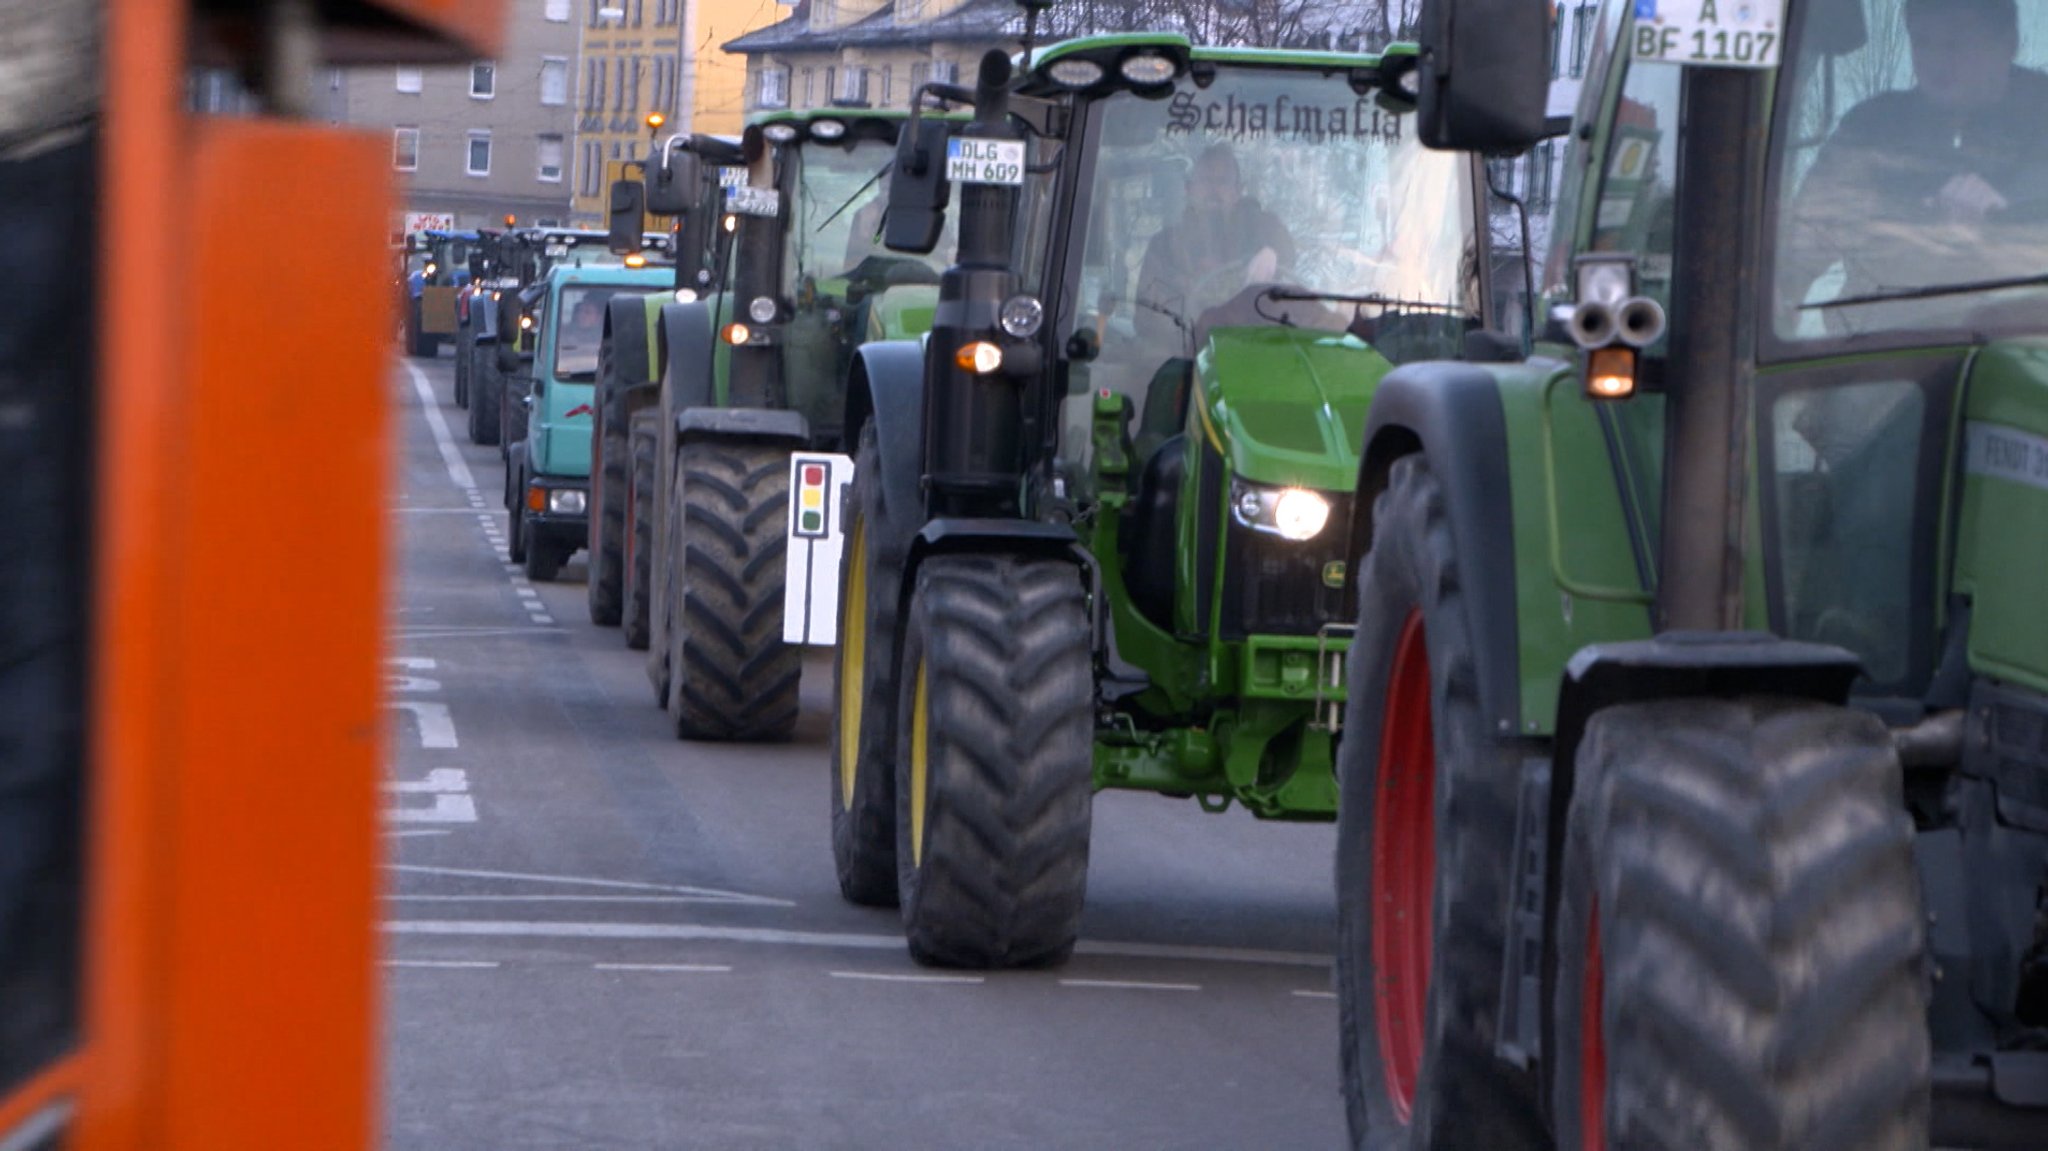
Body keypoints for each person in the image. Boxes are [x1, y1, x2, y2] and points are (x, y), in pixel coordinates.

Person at [1784, 0, 2048, 310]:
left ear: (2008, 44)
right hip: (1880, 344)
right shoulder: (1870, 133)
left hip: (2028, 345)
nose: (1937, 61)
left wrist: (1996, 231)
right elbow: (1795, 258)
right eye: (1923, 41)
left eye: (1955, 43)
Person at [1133, 143, 1297, 343]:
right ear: (1189, 189)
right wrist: (1185, 304)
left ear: (1238, 191)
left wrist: (1272, 252)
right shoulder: (1164, 247)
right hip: (1186, 354)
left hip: (1254, 348)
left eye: (1223, 182)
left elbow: (1286, 250)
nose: (1214, 190)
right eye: (1205, 181)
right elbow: (1146, 319)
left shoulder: (1260, 230)